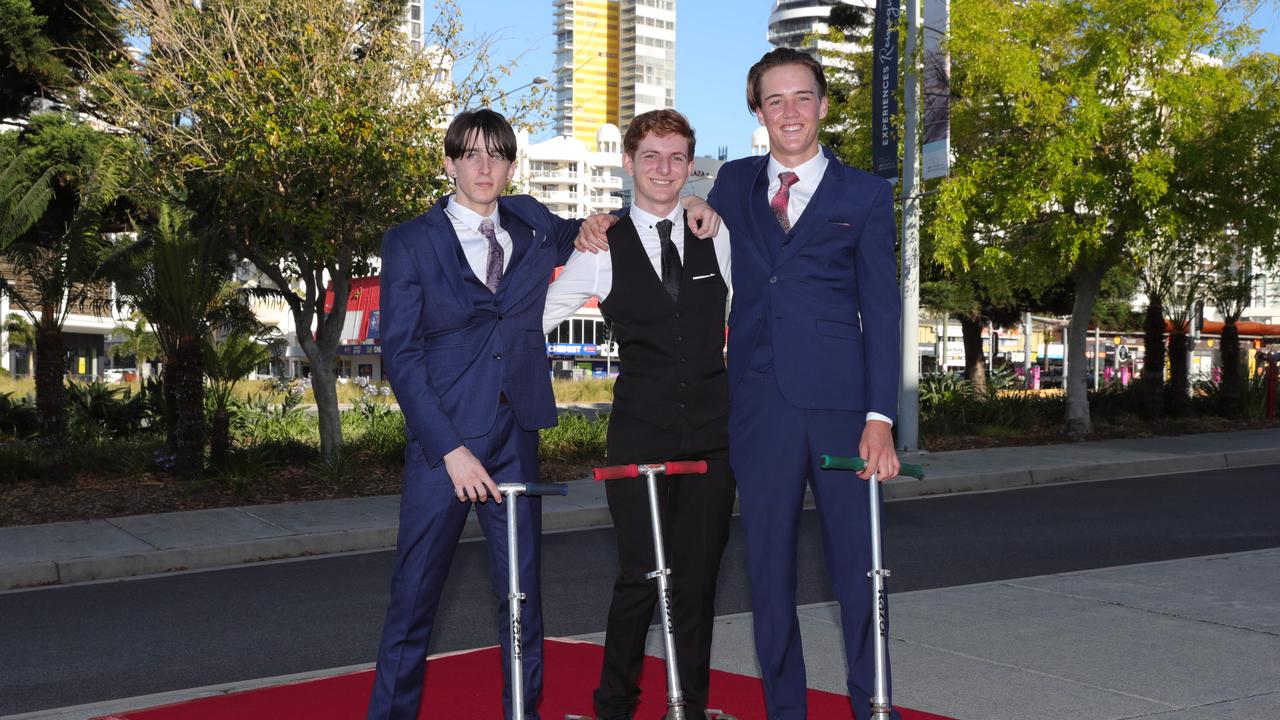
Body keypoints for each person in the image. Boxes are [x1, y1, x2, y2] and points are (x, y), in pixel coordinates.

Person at [368, 108, 721, 720]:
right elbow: (400, 356)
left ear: (510, 165)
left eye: (497, 155)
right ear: (449, 162)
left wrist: (695, 201)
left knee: (522, 599)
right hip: (445, 446)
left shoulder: (531, 218)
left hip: (516, 433)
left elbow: (598, 229)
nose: (484, 167)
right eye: (471, 154)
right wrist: (449, 450)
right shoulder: (410, 241)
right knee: (415, 599)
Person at [707, 48, 903, 719]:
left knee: (860, 570)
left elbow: (881, 310)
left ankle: (871, 703)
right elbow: (666, 212)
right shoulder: (731, 184)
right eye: (774, 100)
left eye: (801, 98)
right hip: (759, 409)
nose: (789, 112)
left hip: (844, 410)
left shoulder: (866, 194)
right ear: (758, 112)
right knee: (768, 573)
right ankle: (784, 710)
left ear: (822, 105)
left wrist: (882, 416)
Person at [543, 109, 735, 720]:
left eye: (677, 157)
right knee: (641, 578)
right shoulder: (603, 246)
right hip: (640, 431)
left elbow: (756, 311)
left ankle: (690, 708)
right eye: (650, 156)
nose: (663, 168)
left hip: (712, 435)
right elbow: (538, 319)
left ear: (690, 166)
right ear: (628, 164)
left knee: (698, 586)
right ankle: (614, 708)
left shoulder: (714, 233)